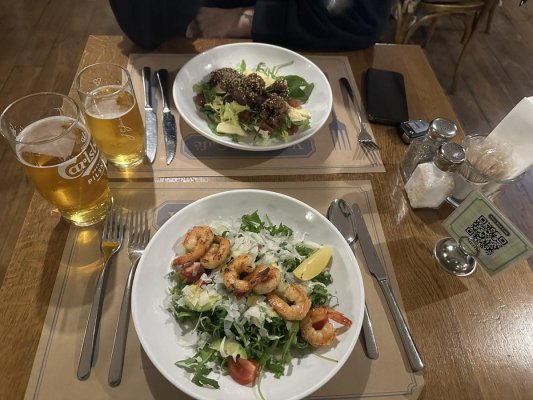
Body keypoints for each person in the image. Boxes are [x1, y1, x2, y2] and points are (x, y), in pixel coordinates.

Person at [109, 0, 394, 51]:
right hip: (188, 43)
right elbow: (147, 28)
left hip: (307, 49)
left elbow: (359, 22)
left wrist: (244, 19)